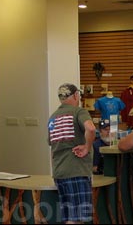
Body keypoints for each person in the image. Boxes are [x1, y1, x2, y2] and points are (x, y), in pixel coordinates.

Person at [47, 83, 97, 224]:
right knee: (79, 219)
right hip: (77, 171)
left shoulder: (53, 118)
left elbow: (52, 147)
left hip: (59, 173)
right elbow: (91, 129)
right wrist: (87, 147)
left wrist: (54, 172)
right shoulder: (78, 112)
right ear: (76, 95)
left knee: (69, 218)